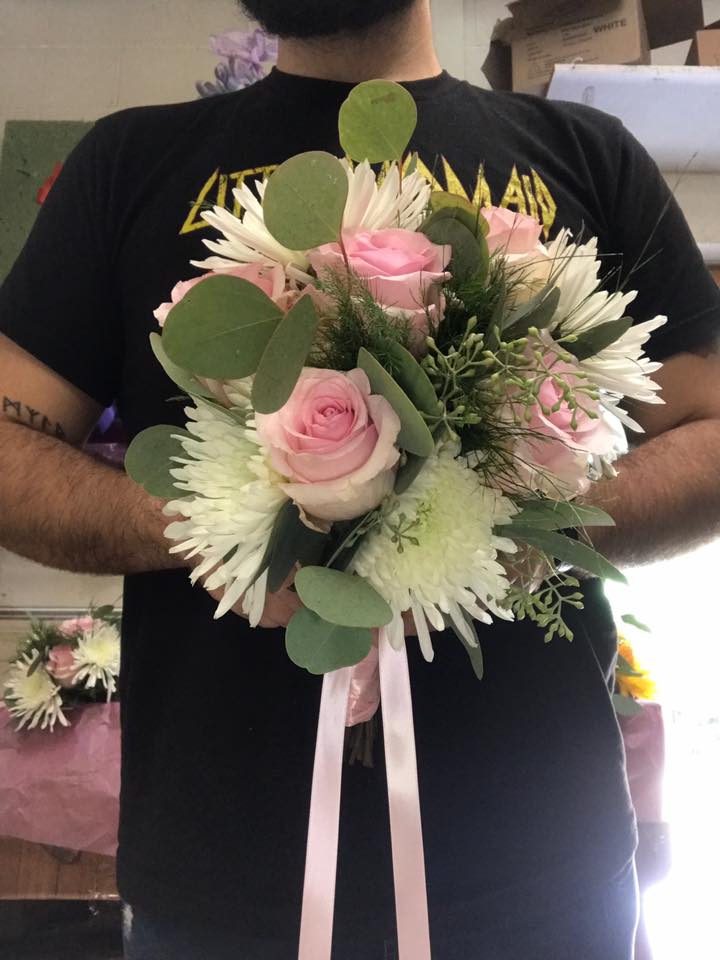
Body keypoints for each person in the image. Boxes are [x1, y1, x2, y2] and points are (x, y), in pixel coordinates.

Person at [1, 1, 719, 957]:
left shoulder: (587, 156)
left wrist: (513, 519)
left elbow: (709, 433)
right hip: (221, 881)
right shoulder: (128, 163)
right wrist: (226, 527)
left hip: (540, 869)